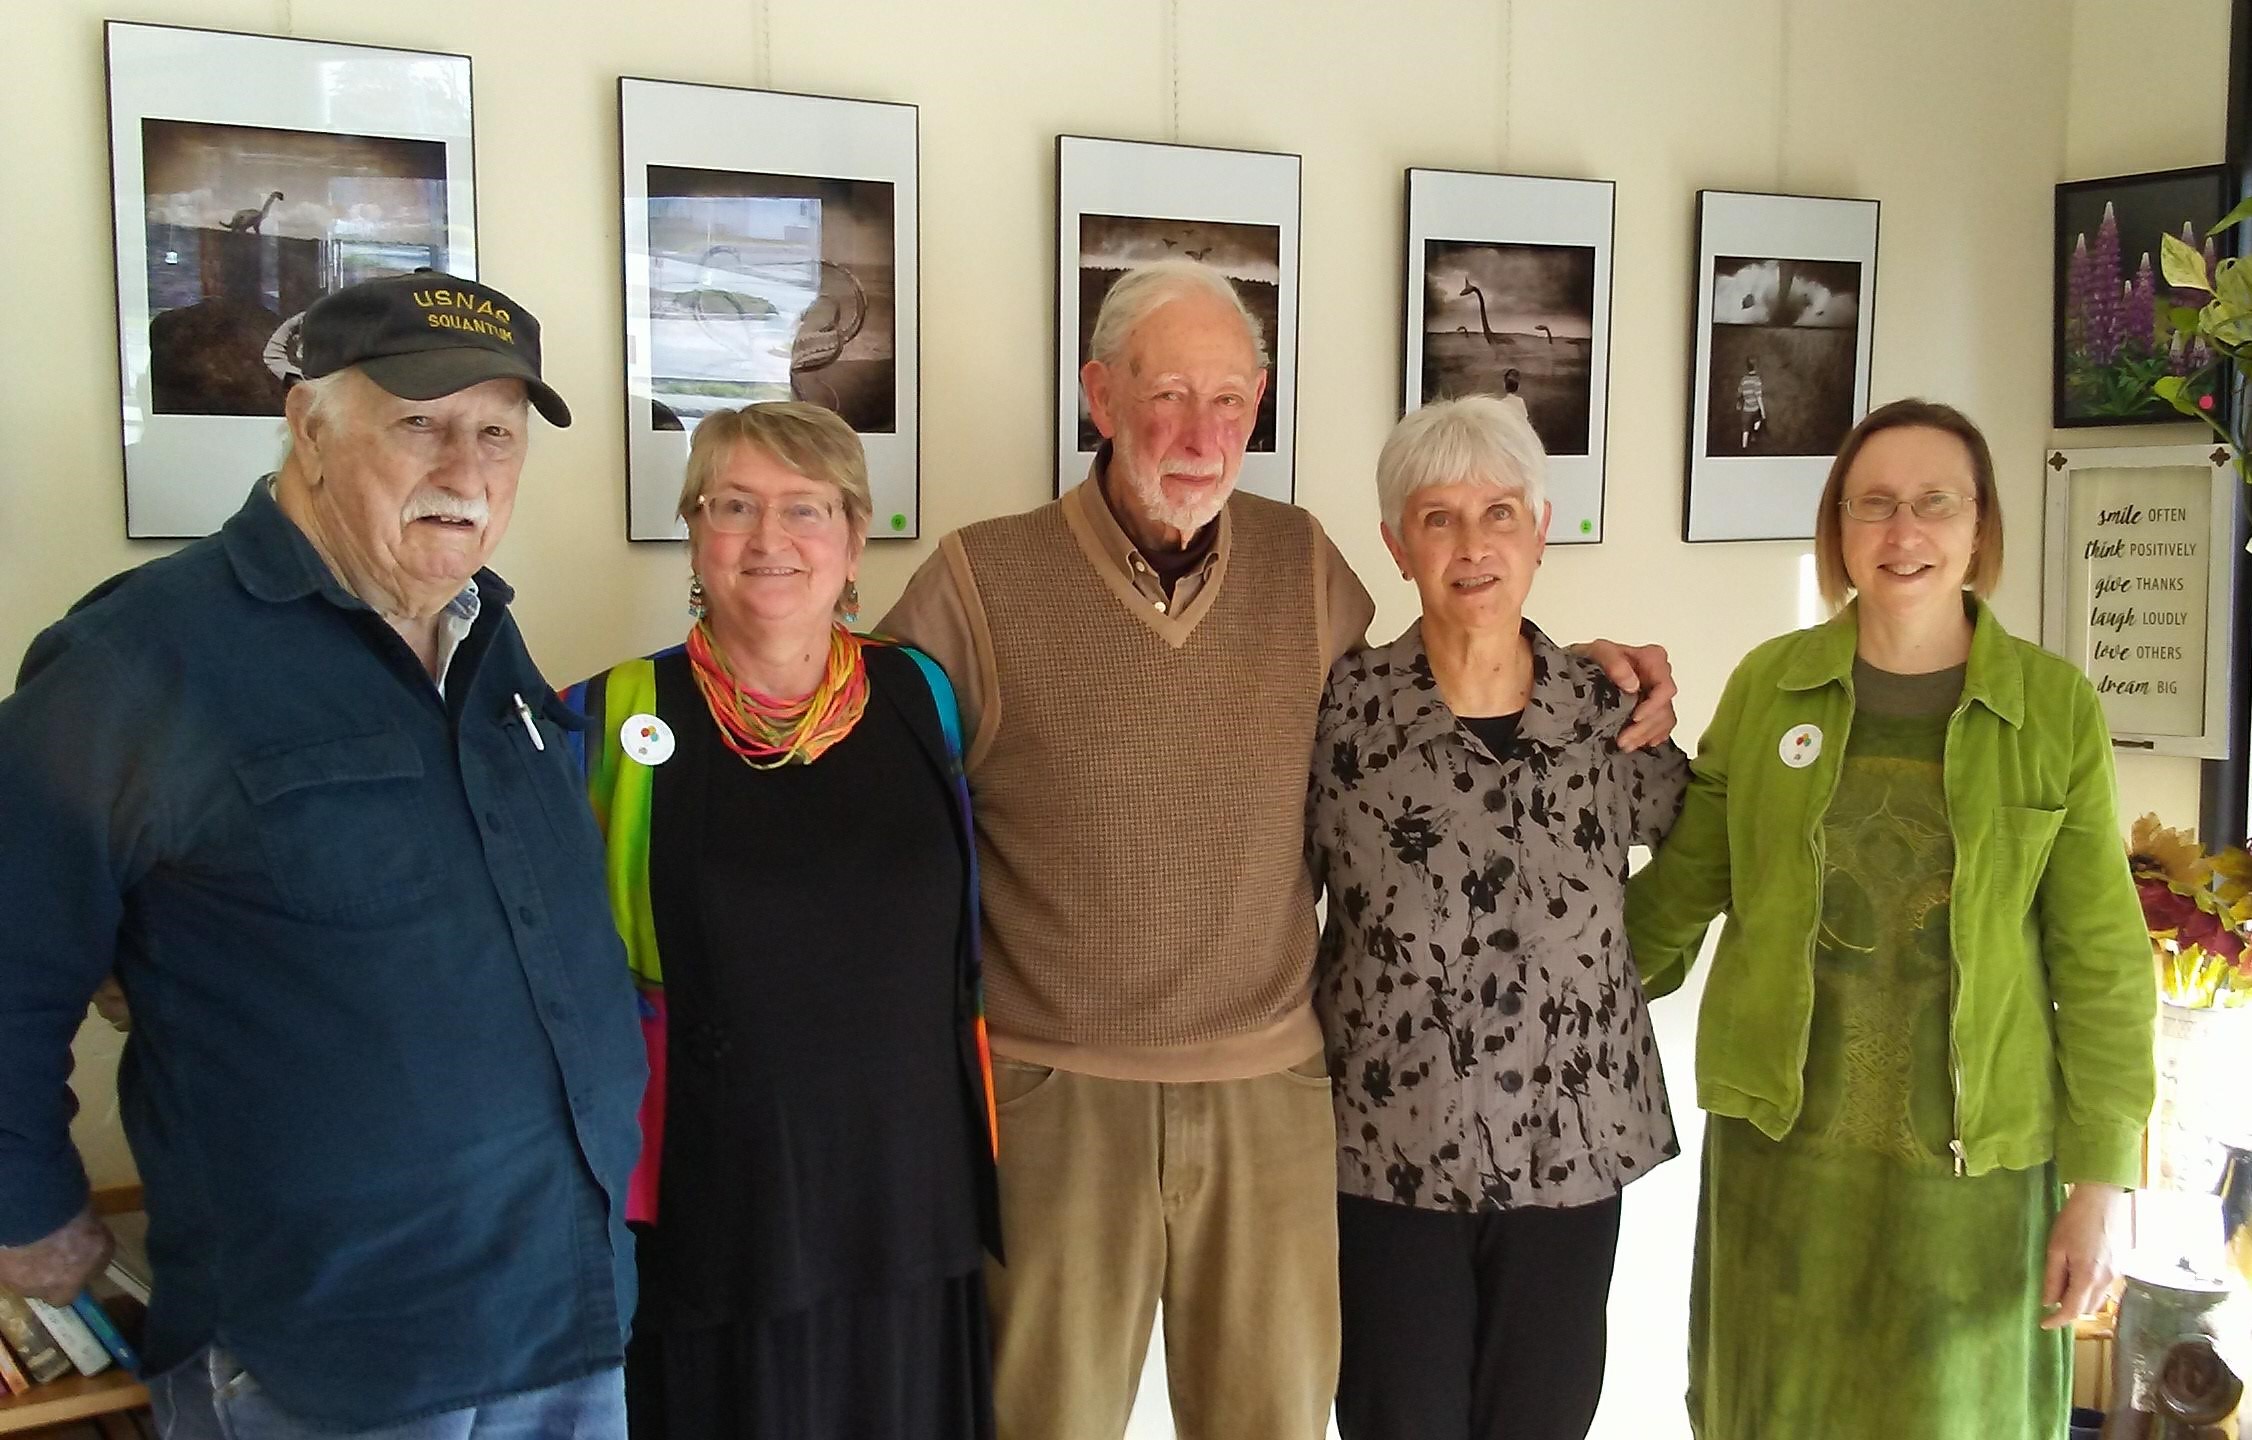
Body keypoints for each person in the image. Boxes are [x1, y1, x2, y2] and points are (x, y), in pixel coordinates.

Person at [881, 257, 1680, 1440]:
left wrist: (1586, 673)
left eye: (1227, 400)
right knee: (1043, 1419)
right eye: (1165, 395)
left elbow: (1454, 691)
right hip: (1060, 1093)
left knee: (1273, 1421)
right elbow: (871, 793)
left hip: (1272, 1096)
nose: (1198, 434)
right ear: (1099, 397)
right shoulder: (979, 579)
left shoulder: (1302, 567)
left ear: (1256, 406)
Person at [0, 272, 647, 1437]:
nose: (466, 471)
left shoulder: (484, 637)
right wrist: (24, 1204)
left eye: (497, 433)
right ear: (307, 427)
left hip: (561, 1311)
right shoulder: (141, 657)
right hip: (329, 1356)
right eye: (420, 423)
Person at [1626, 399, 2157, 1439]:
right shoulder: (1769, 688)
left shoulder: (2051, 710)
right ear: (1838, 527)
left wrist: (2102, 1181)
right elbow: (1678, 896)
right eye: (1872, 504)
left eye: (1933, 503)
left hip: (1976, 1180)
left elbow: (2100, 958)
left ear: (1978, 525)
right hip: (1783, 1168)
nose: (1901, 531)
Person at [565, 403, 1000, 1440]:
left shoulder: (920, 694)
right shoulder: (608, 720)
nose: (770, 538)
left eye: (806, 508)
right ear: (693, 532)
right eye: (733, 507)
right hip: (722, 1209)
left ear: (853, 539)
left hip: (909, 1193)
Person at [1307, 396, 1688, 1440]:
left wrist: (1627, 974)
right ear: (1397, 546)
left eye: (1498, 513)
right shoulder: (1341, 718)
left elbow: (1705, 856)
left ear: (1540, 530)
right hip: (1386, 1151)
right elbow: (1271, 899)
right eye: (1437, 518)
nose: (1472, 545)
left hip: (1573, 1149)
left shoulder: (1607, 712)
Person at [1737, 358, 1766, 449]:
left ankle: (1744, 447)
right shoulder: (1757, 380)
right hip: (1755, 409)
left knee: (1745, 430)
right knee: (1758, 419)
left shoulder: (1744, 379)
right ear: (1756, 367)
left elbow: (1739, 393)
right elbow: (1758, 397)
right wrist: (1763, 411)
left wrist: (1739, 403)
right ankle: (1754, 433)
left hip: (1746, 409)